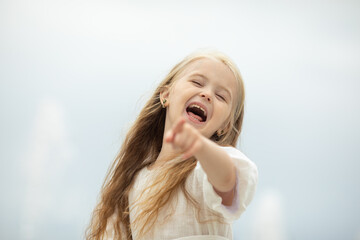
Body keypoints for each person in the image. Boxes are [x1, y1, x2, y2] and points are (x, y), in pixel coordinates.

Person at [86, 49, 258, 240]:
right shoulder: (135, 182)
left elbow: (227, 179)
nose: (207, 94)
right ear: (166, 95)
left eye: (221, 96)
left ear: (225, 127)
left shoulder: (202, 172)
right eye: (197, 82)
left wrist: (199, 145)